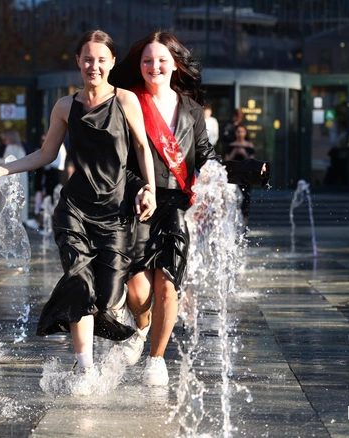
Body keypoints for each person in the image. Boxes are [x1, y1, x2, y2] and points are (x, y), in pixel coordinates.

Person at [0, 30, 157, 389]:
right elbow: (45, 154)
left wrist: (148, 188)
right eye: (88, 58)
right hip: (74, 209)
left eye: (102, 59)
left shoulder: (126, 101)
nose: (94, 66)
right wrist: (3, 169)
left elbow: (142, 148)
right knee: (78, 282)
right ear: (78, 61)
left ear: (112, 63)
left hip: (115, 211)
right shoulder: (64, 106)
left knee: (108, 293)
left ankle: (125, 325)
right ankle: (84, 367)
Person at [108, 31, 267, 386]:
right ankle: (140, 330)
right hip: (137, 204)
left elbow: (206, 160)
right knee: (138, 292)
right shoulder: (127, 101)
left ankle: (157, 358)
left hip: (176, 206)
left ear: (175, 64)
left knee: (168, 286)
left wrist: (245, 171)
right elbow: (118, 158)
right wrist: (137, 187)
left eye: (162, 60)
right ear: (140, 64)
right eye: (147, 60)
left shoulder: (191, 110)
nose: (155, 66)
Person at [0, 129, 31, 224]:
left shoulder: (10, 147)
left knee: (7, 198)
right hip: (21, 175)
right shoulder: (20, 148)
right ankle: (20, 219)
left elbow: (5, 163)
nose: (4, 142)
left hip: (11, 175)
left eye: (4, 140)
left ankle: (7, 219)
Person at [225, 125, 256, 228]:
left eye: (242, 131)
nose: (240, 134)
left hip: (246, 176)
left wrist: (244, 153)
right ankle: (232, 226)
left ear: (245, 133)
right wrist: (234, 153)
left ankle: (244, 226)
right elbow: (227, 161)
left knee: (245, 200)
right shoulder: (230, 146)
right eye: (238, 131)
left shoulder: (249, 146)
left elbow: (252, 161)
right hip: (234, 175)